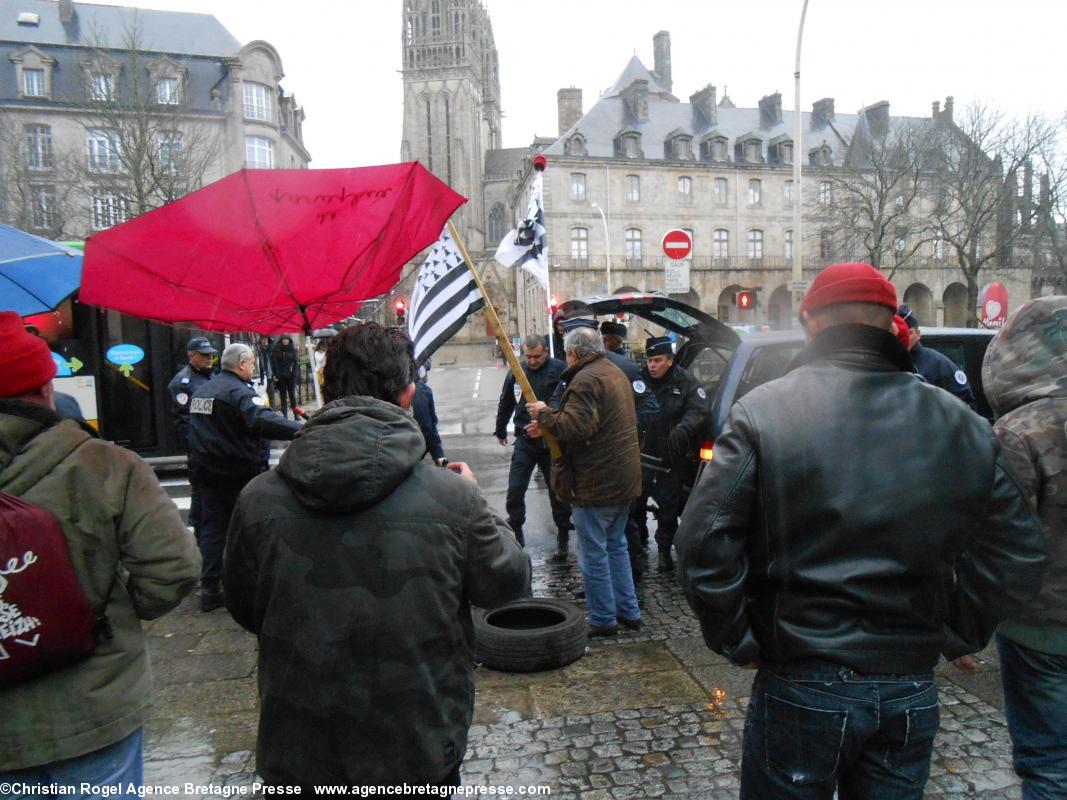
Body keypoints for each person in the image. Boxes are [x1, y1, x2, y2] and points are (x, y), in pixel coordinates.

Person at [676, 262, 1047, 799]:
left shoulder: (763, 411)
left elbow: (702, 543)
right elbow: (1017, 552)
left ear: (810, 321)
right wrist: (955, 632)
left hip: (801, 673)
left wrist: (737, 638)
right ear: (892, 324)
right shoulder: (962, 423)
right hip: (908, 678)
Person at [223, 322, 529, 790]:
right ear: (408, 394)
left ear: (327, 388)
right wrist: (480, 504)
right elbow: (508, 583)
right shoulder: (453, 498)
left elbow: (245, 606)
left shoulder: (257, 498)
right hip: (415, 743)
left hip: (300, 748)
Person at [0, 312, 200, 791]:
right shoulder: (105, 464)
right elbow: (173, 568)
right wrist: (113, 614)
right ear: (45, 387)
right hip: (94, 703)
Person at [980, 296, 1067, 798]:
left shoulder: (1019, 431)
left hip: (1041, 628)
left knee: (1050, 763)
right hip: (1040, 626)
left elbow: (1001, 539)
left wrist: (968, 625)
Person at [528, 325, 642, 637]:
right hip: (622, 478)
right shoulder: (613, 372)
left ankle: (604, 618)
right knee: (616, 546)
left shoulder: (586, 379)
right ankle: (628, 611)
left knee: (593, 554)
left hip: (596, 483)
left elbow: (577, 428)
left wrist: (544, 414)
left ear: (574, 354)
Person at [187, 343, 300, 612]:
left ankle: (210, 587)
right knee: (250, 527)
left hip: (207, 470)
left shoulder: (204, 390)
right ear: (241, 364)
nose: (252, 367)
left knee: (213, 529)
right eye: (251, 363)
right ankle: (250, 583)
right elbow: (261, 420)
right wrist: (301, 429)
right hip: (237, 472)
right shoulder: (237, 392)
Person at [494, 335, 571, 556]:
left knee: (557, 492)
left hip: (550, 441)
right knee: (515, 489)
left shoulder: (559, 370)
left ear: (546, 352)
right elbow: (507, 400)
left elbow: (564, 402)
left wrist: (546, 425)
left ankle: (563, 533)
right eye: (528, 357)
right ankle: (517, 529)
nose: (532, 361)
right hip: (525, 440)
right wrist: (500, 428)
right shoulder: (518, 371)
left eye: (537, 357)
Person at [637, 336, 707, 572]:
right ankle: (639, 547)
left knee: (668, 504)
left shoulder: (685, 381)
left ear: (670, 360)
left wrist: (684, 429)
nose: (652, 365)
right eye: (649, 360)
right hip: (643, 453)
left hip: (671, 453)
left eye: (657, 360)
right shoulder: (638, 379)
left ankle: (665, 549)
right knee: (636, 502)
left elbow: (698, 409)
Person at [898, 303, 977, 409]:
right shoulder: (886, 363)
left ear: (918, 334)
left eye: (909, 333)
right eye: (900, 333)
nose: (904, 337)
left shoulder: (938, 364)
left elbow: (966, 405)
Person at [166, 336, 217, 449]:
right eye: (204, 354)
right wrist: (196, 447)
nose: (210, 358)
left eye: (210, 354)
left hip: (216, 439)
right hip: (201, 445)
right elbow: (184, 421)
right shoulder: (181, 383)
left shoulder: (211, 375)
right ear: (191, 355)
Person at [412, 362, 445, 464]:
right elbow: (428, 427)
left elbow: (429, 427)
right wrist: (439, 456)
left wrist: (439, 455)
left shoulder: (422, 391)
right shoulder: (422, 391)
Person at [269, 335, 299, 418]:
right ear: (281, 340)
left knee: (292, 395)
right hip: (281, 376)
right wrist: (275, 375)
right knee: (283, 395)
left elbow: (296, 362)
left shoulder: (293, 349)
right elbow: (274, 363)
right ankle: (285, 414)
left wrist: (294, 374)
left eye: (287, 339)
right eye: (284, 339)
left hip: (290, 375)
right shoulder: (277, 350)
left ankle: (296, 414)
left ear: (289, 340)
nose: (285, 341)